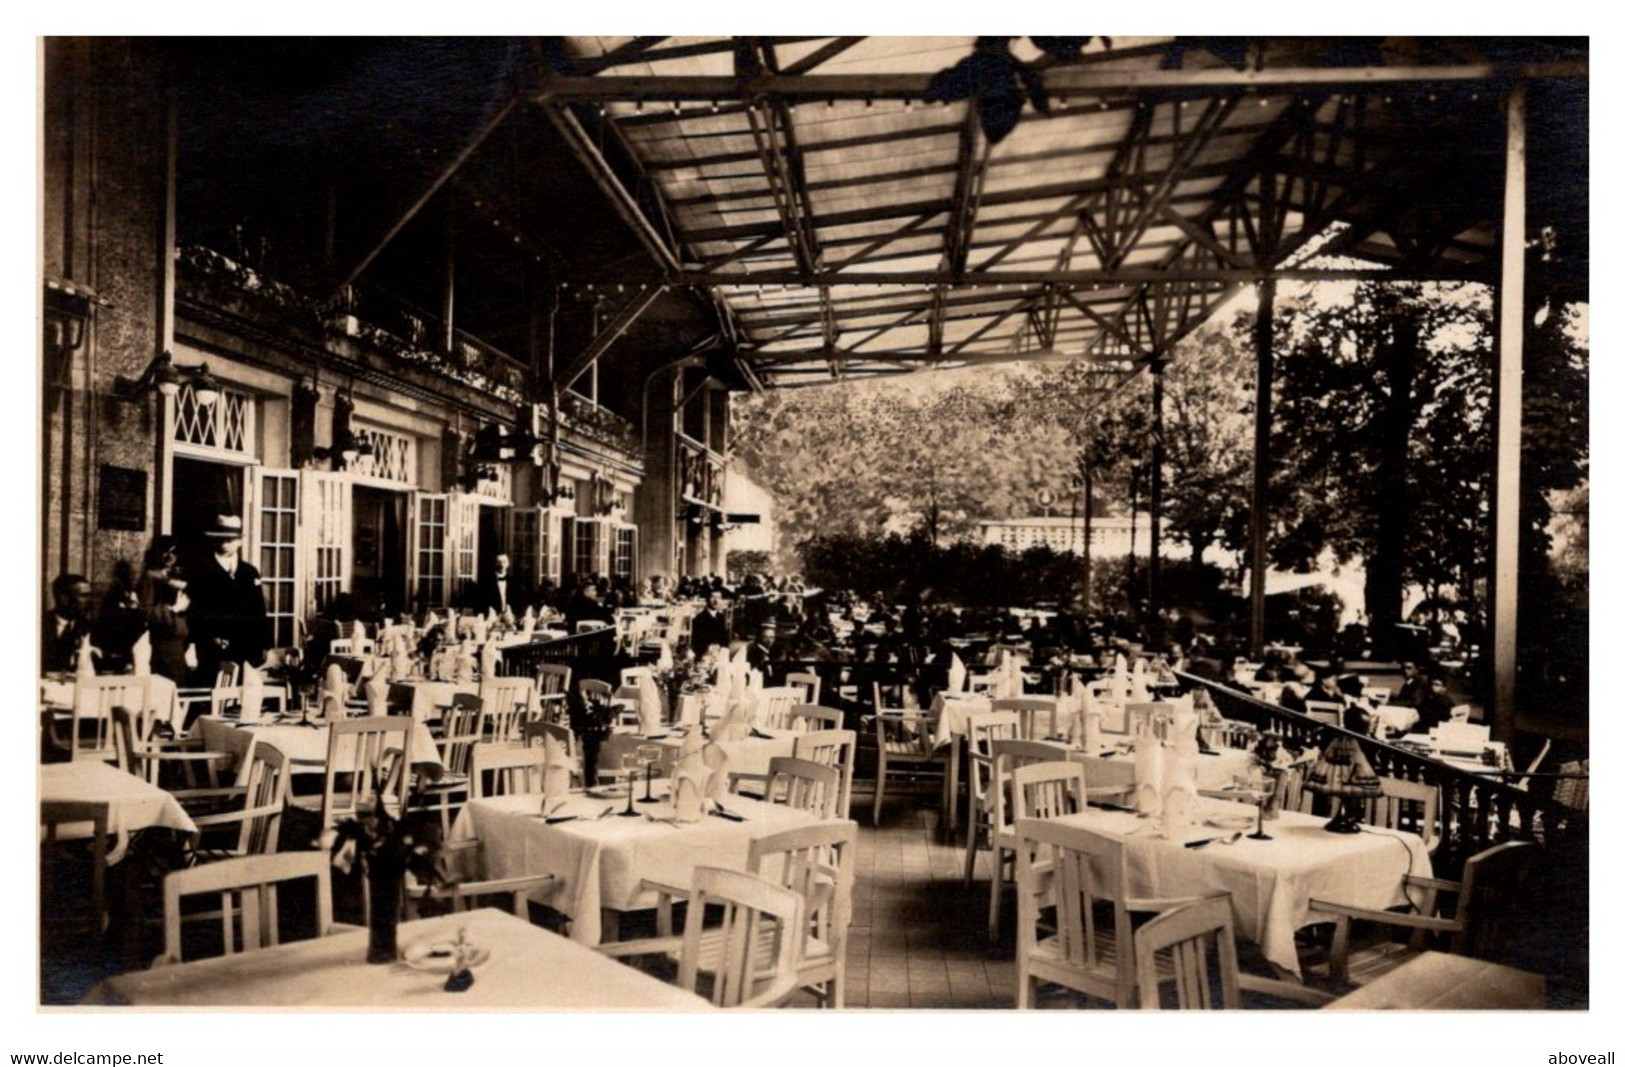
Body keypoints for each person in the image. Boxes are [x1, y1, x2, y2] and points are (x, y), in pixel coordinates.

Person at [185, 514, 269, 682]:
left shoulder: (249, 572)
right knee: (214, 694)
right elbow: (194, 611)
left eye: (230, 539)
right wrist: (209, 636)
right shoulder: (200, 570)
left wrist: (263, 644)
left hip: (245, 645)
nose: (225, 543)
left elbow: (259, 610)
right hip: (213, 647)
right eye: (221, 538)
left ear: (240, 541)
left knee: (243, 695)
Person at [42, 572, 94, 673]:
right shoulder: (40, 624)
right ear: (64, 599)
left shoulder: (89, 628)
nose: (90, 601)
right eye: (84, 596)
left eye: (90, 595)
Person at [470, 553, 516, 617]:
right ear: (495, 563)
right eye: (499, 562)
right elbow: (480, 603)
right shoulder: (486, 582)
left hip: (510, 616)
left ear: (508, 564)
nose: (501, 565)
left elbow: (518, 602)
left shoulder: (514, 582)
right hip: (491, 617)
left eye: (504, 562)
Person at [689, 589, 730, 655]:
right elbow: (696, 643)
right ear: (707, 599)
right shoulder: (699, 618)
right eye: (713, 597)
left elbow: (724, 638)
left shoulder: (720, 617)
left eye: (719, 598)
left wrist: (724, 649)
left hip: (719, 654)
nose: (716, 601)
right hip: (705, 654)